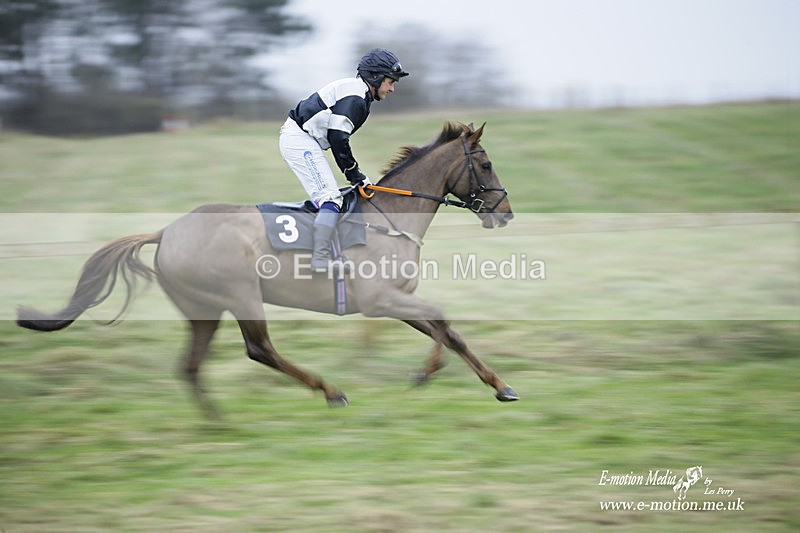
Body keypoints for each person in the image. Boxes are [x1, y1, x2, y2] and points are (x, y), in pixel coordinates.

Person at [279, 48, 409, 272]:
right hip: (299, 140)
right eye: (390, 81)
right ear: (375, 77)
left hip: (304, 139)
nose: (392, 88)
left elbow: (337, 138)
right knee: (330, 197)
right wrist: (354, 174)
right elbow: (338, 137)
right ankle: (320, 259)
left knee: (333, 196)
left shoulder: (359, 94)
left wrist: (354, 176)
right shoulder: (356, 97)